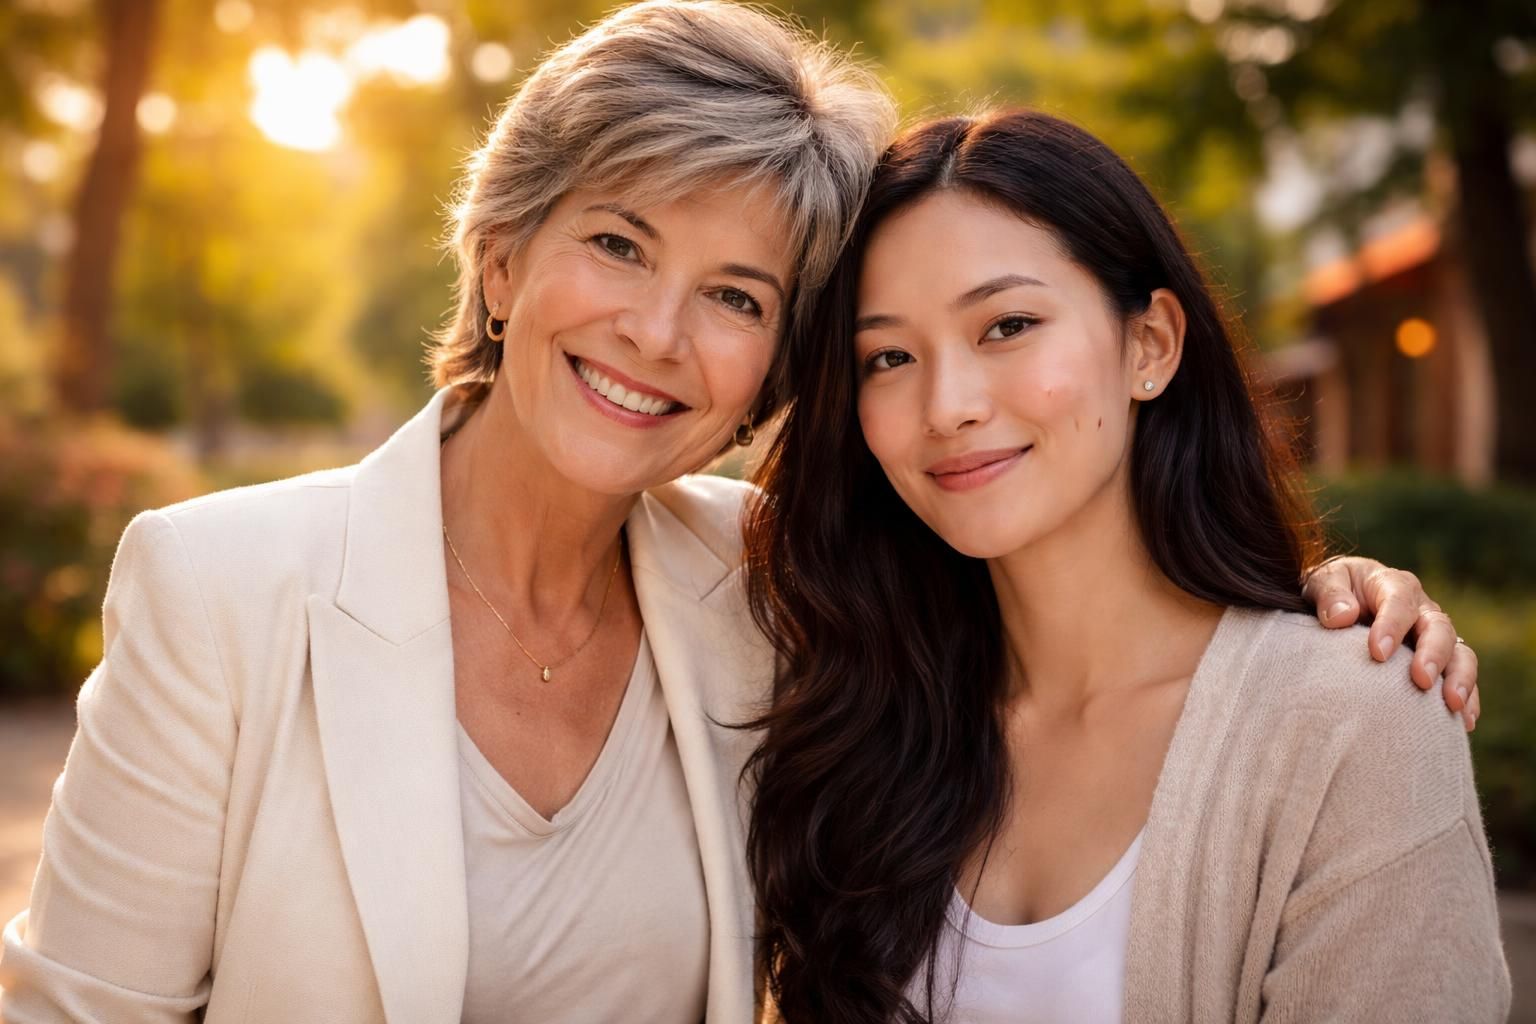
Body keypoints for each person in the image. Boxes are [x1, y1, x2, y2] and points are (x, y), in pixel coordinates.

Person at [0, 4, 1480, 1020]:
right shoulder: (223, 589)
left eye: (736, 296)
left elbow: (1147, 637)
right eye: (619, 243)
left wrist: (1333, 609)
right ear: (501, 258)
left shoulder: (764, 596)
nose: (657, 332)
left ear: (774, 363)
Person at [745, 109, 1509, 1023]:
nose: (946, 405)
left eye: (1008, 325)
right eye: (890, 356)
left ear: (1149, 346)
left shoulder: (1356, 725)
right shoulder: (849, 718)